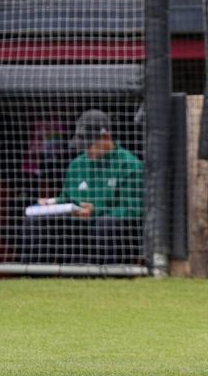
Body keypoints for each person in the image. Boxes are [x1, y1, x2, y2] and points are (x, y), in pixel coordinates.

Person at [28, 109, 144, 264]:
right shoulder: (76, 165)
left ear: (106, 137)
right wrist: (50, 203)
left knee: (106, 224)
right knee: (36, 216)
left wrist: (95, 212)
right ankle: (34, 274)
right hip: (77, 229)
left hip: (111, 232)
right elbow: (66, 198)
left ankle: (110, 274)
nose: (86, 149)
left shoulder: (129, 165)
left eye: (90, 144)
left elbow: (133, 209)